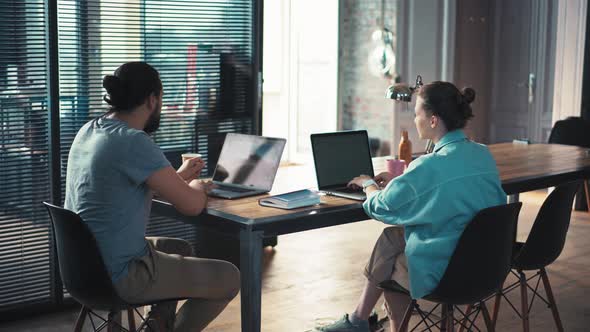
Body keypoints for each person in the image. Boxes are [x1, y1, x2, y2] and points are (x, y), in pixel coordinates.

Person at [317, 81, 507, 332]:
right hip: (487, 263)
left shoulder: (429, 165)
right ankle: (359, 321)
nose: (413, 119)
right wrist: (401, 181)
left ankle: (372, 324)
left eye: (417, 113)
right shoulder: (482, 154)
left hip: (449, 272)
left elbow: (382, 207)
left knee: (394, 266)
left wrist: (367, 185)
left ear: (433, 120)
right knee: (393, 238)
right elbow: (446, 189)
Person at [64, 62, 240, 332]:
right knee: (229, 277)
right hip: (119, 274)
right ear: (152, 99)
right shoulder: (133, 140)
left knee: (178, 249)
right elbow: (192, 206)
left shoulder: (90, 130)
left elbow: (127, 187)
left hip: (82, 267)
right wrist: (200, 186)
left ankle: (158, 325)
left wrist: (178, 177)